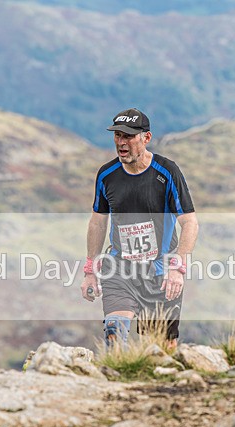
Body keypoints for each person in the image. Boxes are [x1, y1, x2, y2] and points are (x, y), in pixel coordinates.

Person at [80, 108, 199, 349]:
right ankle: (114, 383)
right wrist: (90, 269)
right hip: (120, 270)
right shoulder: (107, 175)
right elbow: (98, 221)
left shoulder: (167, 172)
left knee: (161, 351)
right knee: (114, 335)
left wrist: (178, 266)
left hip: (160, 274)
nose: (121, 142)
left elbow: (189, 222)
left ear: (146, 138)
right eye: (117, 136)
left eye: (128, 136)